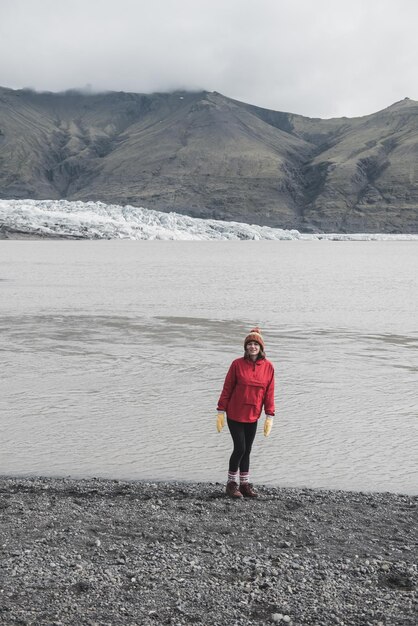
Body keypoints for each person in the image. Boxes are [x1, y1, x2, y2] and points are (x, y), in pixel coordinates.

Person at [216, 328, 275, 498]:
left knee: (247, 450)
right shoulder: (237, 364)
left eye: (255, 344)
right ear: (245, 347)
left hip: (253, 415)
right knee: (239, 448)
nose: (252, 346)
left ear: (261, 347)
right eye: (249, 344)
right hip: (235, 413)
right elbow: (227, 388)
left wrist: (269, 415)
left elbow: (269, 392)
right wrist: (221, 410)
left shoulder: (269, 367)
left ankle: (244, 485)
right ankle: (231, 484)